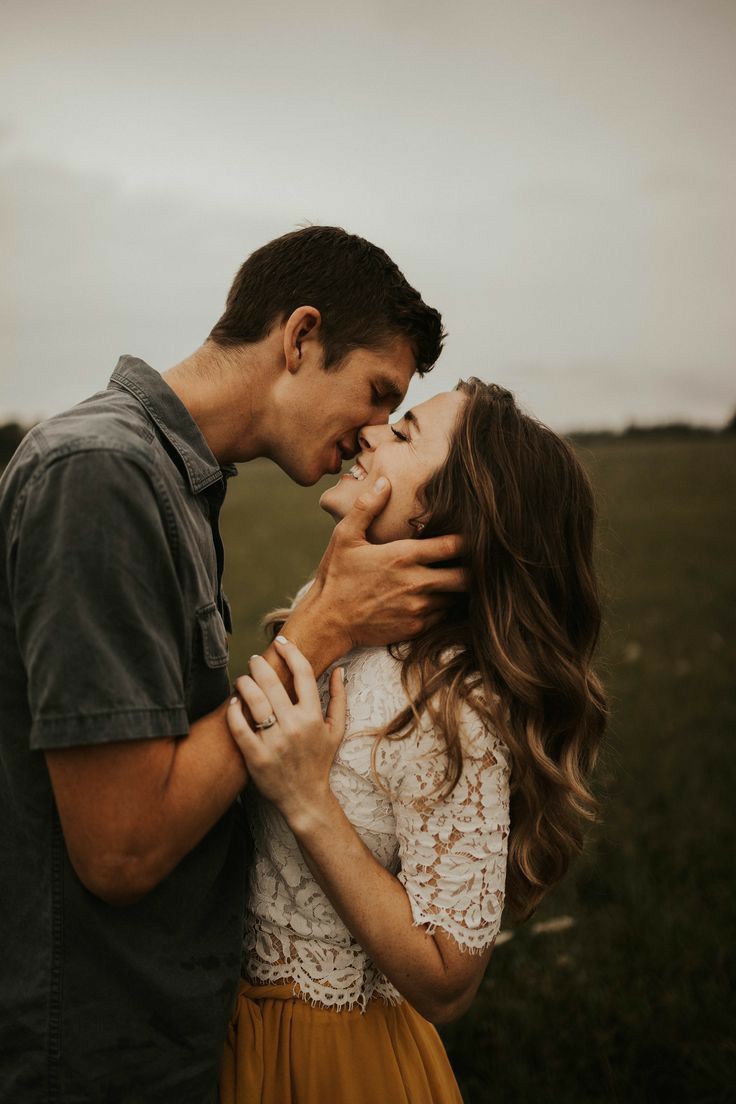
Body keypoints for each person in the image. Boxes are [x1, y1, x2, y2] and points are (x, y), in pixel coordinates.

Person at [0, 226, 465, 1103]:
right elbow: (122, 851)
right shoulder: (101, 473)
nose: (373, 435)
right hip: (88, 1049)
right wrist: (319, 631)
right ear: (299, 337)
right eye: (377, 393)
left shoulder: (175, 480)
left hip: (155, 1029)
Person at [222, 380, 607, 1104]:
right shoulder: (325, 611)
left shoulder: (453, 702)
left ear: (448, 508)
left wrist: (309, 802)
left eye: (402, 435)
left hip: (333, 1055)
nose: (370, 433)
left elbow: (448, 979)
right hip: (231, 1029)